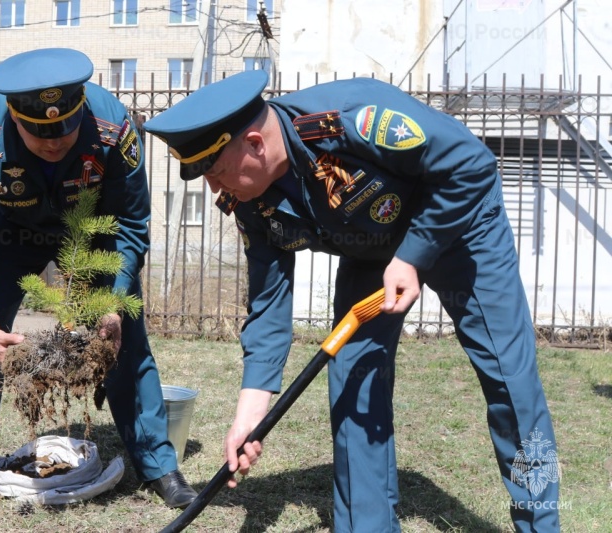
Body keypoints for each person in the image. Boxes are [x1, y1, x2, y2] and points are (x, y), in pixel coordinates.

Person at [142, 70, 560, 532]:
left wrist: (413, 255)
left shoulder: (351, 120)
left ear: (256, 144)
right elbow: (268, 305)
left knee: (509, 379)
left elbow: (471, 164)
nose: (216, 190)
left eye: (216, 173)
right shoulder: (252, 201)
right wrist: (249, 417)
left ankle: (540, 523)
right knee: (353, 378)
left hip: (460, 229)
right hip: (372, 253)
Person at [0, 48, 197, 527]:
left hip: (89, 229)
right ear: (15, 120)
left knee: (123, 338)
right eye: (38, 132)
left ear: (81, 109)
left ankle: (158, 465)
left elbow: (131, 223)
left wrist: (115, 300)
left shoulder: (113, 129)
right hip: (7, 235)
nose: (53, 141)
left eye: (63, 129)